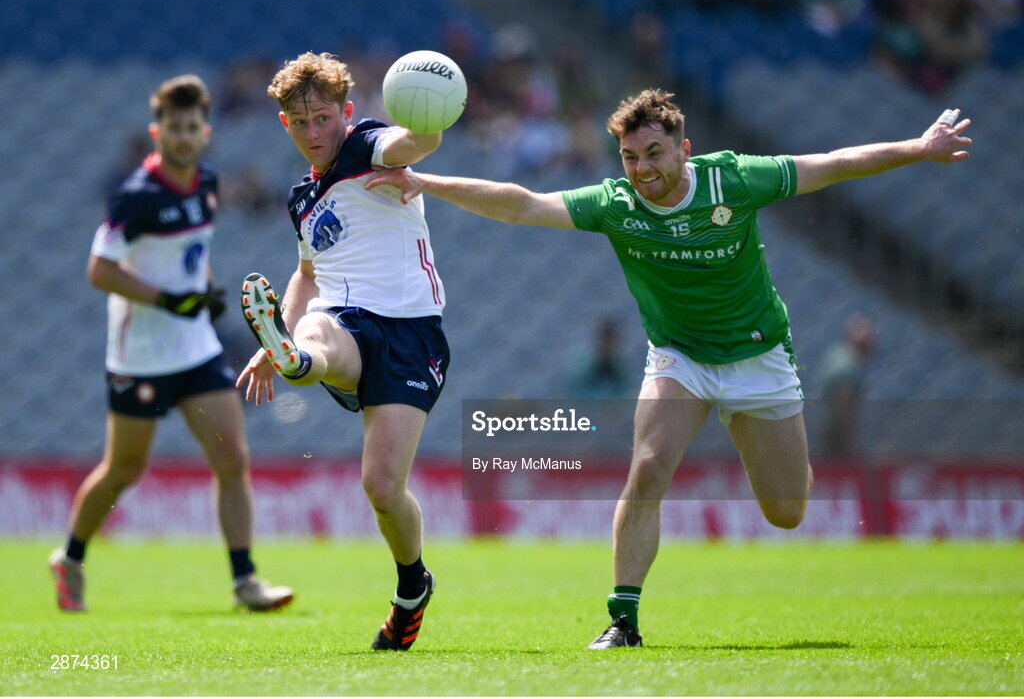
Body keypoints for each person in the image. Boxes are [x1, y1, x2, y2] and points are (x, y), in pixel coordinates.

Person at [365, 89, 973, 649]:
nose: (642, 168)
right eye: (629, 156)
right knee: (649, 466)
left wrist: (919, 149)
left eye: (654, 152)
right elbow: (523, 204)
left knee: (787, 511)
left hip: (758, 358)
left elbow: (834, 162)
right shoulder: (616, 203)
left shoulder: (734, 178)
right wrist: (425, 181)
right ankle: (623, 620)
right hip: (678, 356)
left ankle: (778, 451)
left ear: (684, 148)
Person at [49, 75, 293, 613]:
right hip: (139, 355)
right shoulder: (136, 197)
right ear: (157, 132)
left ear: (204, 132)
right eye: (173, 128)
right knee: (124, 470)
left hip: (194, 346)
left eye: (192, 128)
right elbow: (99, 270)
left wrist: (201, 291)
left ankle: (245, 580)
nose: (183, 137)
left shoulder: (206, 183)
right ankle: (70, 558)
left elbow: (192, 248)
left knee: (232, 460)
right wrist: (165, 299)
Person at [236, 52, 450, 651]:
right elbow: (306, 276)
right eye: (300, 123)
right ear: (285, 125)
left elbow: (417, 144)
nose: (314, 133)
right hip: (345, 323)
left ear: (346, 114)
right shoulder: (301, 198)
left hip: (413, 333)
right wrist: (279, 332)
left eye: (323, 118)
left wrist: (431, 114)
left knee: (382, 487)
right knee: (321, 334)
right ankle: (295, 358)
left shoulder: (367, 145)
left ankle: (413, 587)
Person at [819, 314, 878, 460]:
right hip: (835, 439)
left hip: (828, 434)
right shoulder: (848, 364)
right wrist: (849, 445)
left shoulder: (839, 356)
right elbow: (843, 404)